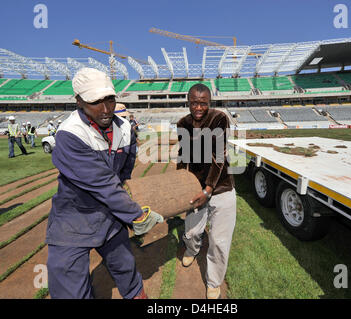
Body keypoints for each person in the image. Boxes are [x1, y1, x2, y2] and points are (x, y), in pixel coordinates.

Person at [45, 67, 163, 299]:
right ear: (78, 101)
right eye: (96, 102)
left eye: (110, 99)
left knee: (128, 275)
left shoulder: (126, 129)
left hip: (111, 218)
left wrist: (124, 207)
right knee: (69, 290)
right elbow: (103, 184)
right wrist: (137, 215)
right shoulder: (70, 134)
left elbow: (124, 173)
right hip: (73, 220)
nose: (106, 108)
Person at [176, 83, 236, 299]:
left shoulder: (219, 118)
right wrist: (180, 183)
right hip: (195, 188)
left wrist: (208, 190)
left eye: (203, 103)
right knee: (191, 233)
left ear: (209, 103)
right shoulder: (183, 123)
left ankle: (213, 282)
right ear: (188, 101)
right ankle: (192, 250)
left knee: (220, 242)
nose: (198, 107)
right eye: (194, 102)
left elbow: (218, 157)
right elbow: (183, 154)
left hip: (221, 188)